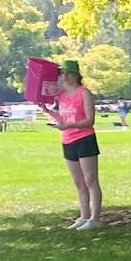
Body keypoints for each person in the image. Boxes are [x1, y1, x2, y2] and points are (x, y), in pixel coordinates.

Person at [43, 59, 102, 229]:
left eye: (68, 73)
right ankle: (84, 216)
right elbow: (63, 118)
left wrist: (68, 125)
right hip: (68, 140)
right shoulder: (60, 95)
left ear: (76, 75)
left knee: (90, 180)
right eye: (62, 73)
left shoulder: (84, 93)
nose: (65, 76)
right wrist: (48, 112)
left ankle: (95, 218)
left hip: (84, 139)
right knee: (78, 182)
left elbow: (89, 121)